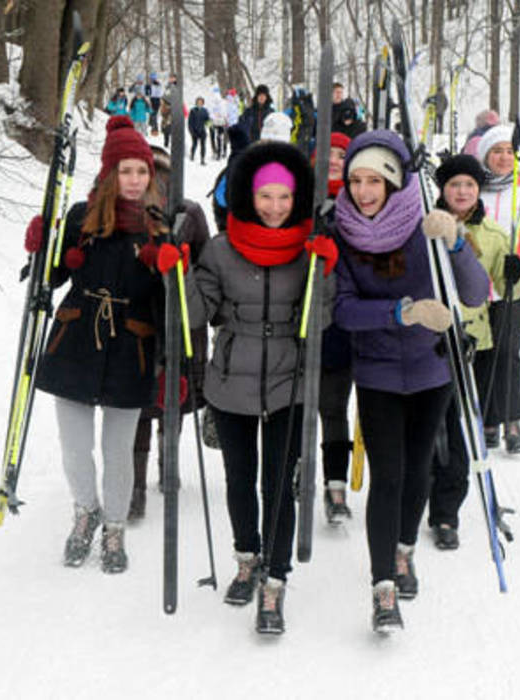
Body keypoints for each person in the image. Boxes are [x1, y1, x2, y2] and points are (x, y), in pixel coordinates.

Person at [332, 130, 489, 633]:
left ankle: (404, 551)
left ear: (394, 180)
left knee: (419, 469)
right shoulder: (343, 231)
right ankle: (383, 587)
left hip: (431, 368)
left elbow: (475, 292)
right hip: (377, 370)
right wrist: (402, 311)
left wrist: (457, 241)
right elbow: (344, 310)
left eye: (374, 180)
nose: (363, 191)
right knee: (389, 476)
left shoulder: (425, 224)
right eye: (355, 180)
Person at [183, 141, 337, 635]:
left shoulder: (307, 250)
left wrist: (324, 271)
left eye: (285, 198)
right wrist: (175, 273)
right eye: (266, 196)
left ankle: (275, 577)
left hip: (289, 383)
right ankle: (246, 556)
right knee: (239, 479)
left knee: (278, 486)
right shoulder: (221, 249)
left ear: (298, 199)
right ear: (250, 195)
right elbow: (191, 314)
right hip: (231, 383)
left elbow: (318, 325)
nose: (275, 206)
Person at [28, 116, 164, 573]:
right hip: (77, 340)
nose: (134, 180)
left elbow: (174, 305)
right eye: (126, 170)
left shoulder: (159, 227)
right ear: (109, 174)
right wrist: (42, 246)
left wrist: (170, 266)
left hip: (131, 349)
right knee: (75, 446)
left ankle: (114, 526)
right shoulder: (81, 220)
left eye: (141, 171)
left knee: (117, 450)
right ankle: (84, 511)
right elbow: (52, 279)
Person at [427, 154, 520, 550]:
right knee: (431, 426)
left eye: (469, 185)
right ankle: (420, 491)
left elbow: (506, 288)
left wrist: (514, 273)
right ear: (443, 190)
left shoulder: (495, 234)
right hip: (431, 341)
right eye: (454, 186)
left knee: (462, 428)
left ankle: (446, 512)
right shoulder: (426, 226)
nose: (462, 192)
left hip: (475, 343)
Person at [128, 145, 211, 519]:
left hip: (179, 313)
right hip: (140, 315)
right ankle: (138, 482)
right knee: (145, 401)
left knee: (167, 397)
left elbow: (207, 263)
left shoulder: (189, 213)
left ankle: (163, 468)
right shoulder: (127, 213)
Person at [475, 124, 520, 452]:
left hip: (513, 287)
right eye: (496, 151)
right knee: (485, 354)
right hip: (477, 287)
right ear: (486, 155)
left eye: (508, 152)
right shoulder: (473, 190)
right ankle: (487, 418)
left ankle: (511, 420)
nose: (503, 157)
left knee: (509, 353)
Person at [316, 132, 355, 523]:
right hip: (305, 318)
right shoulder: (300, 201)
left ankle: (335, 485)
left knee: (334, 406)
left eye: (341, 155)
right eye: (327, 154)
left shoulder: (358, 201)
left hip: (344, 322)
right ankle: (296, 467)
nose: (333, 161)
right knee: (295, 404)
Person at [188, 96, 211, 165]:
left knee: (203, 145)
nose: (199, 103)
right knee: (194, 144)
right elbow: (190, 122)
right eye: (198, 102)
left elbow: (207, 120)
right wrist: (191, 131)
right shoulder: (193, 110)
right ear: (196, 103)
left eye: (201, 102)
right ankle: (192, 155)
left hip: (202, 131)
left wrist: (210, 124)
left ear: (203, 103)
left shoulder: (205, 110)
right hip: (195, 131)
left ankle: (202, 159)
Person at [208, 86, 227, 159]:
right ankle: (217, 152)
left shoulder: (221, 102)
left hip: (217, 123)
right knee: (218, 138)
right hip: (217, 122)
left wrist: (215, 116)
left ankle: (217, 152)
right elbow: (209, 112)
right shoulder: (221, 102)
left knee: (216, 138)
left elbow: (224, 112)